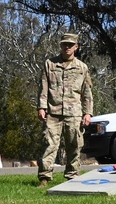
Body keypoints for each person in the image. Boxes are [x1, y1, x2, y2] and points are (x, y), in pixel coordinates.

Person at [37, 32, 93, 187]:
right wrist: (41, 107)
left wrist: (88, 113)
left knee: (75, 145)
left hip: (74, 113)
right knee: (49, 144)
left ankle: (72, 176)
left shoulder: (82, 67)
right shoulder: (50, 64)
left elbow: (87, 92)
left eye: (70, 44)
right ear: (60, 45)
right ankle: (44, 177)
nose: (67, 47)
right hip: (53, 112)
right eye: (64, 44)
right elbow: (43, 88)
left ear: (76, 47)